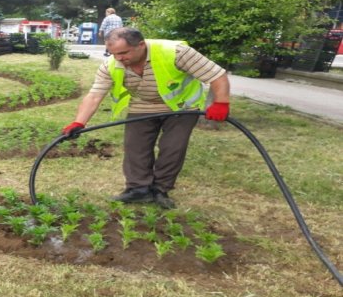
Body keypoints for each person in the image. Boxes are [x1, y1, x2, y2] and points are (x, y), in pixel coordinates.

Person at [61, 27, 230, 209]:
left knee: (172, 147)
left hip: (181, 107)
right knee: (135, 147)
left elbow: (216, 75)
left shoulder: (176, 53)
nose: (119, 58)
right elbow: (94, 95)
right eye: (113, 54)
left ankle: (160, 190)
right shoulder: (111, 64)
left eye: (124, 53)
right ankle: (138, 189)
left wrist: (221, 103)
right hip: (143, 105)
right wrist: (79, 122)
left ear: (140, 45)